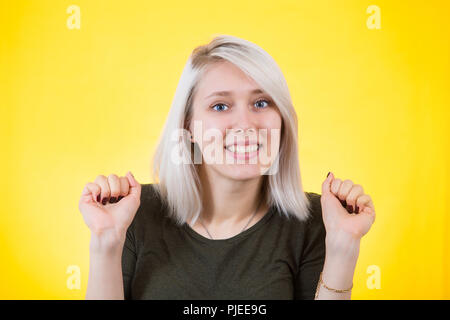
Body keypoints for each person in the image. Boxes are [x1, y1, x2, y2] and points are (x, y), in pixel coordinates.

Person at [78, 34, 376, 300]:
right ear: (188, 127)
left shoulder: (315, 221)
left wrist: (342, 247)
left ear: (282, 120)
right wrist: (106, 240)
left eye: (261, 103)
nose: (246, 125)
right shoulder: (133, 214)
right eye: (220, 106)